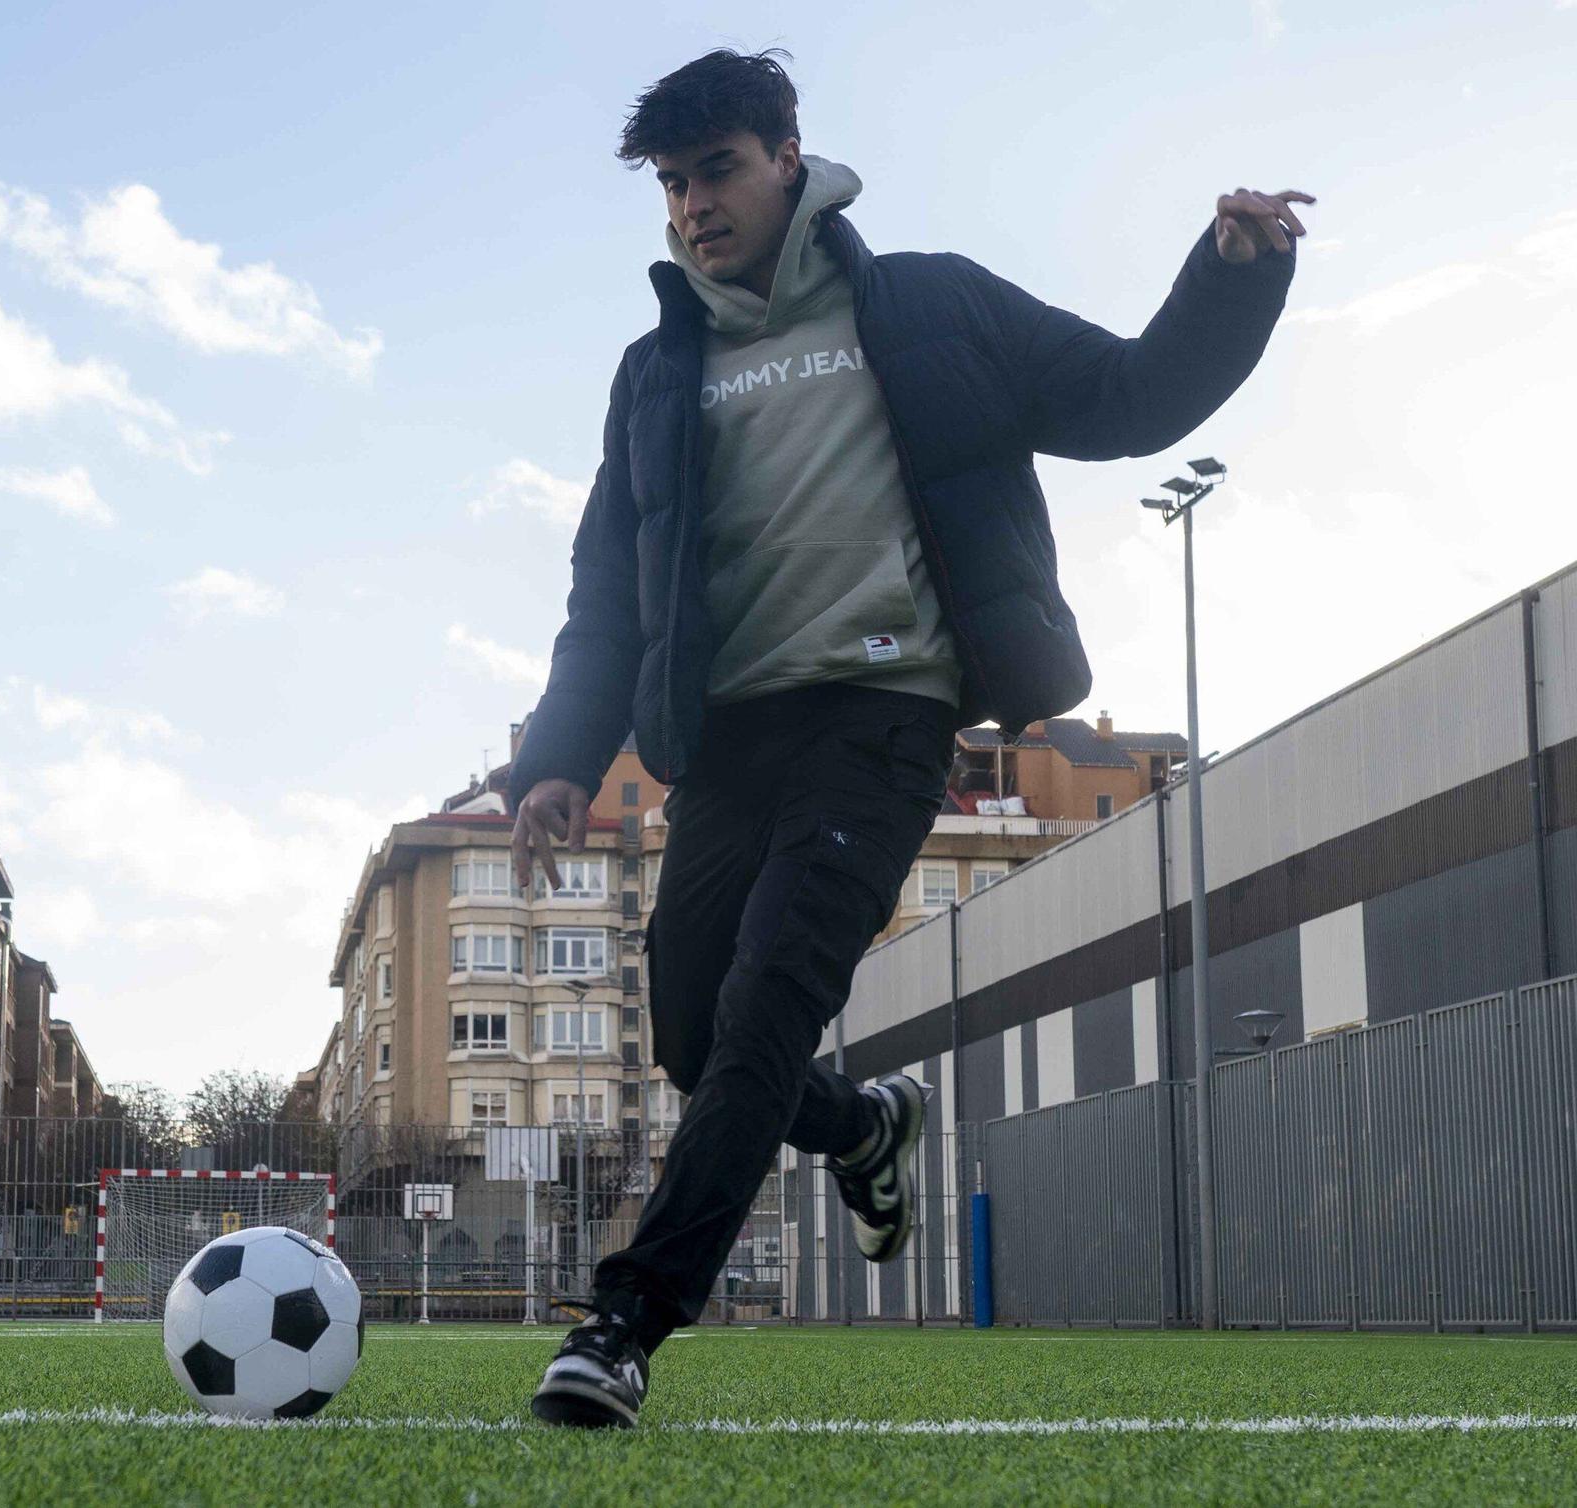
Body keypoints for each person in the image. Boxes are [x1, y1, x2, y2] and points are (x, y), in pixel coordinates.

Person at [506, 48, 1308, 1429]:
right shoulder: (658, 371)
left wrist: (1234, 275)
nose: (694, 207)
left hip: (882, 721)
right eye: (673, 184)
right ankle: (864, 1125)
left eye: (717, 171)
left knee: (769, 1006)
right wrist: (560, 761)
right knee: (694, 1035)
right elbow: (608, 593)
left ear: (789, 158)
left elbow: (1128, 397)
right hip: (729, 739)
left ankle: (625, 1323)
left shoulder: (933, 306)